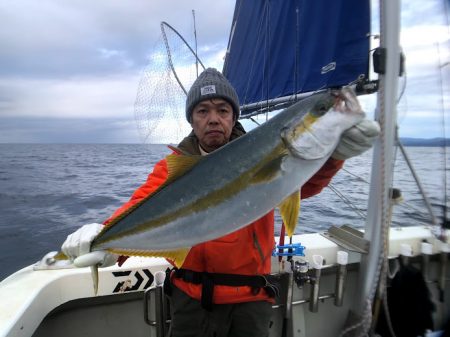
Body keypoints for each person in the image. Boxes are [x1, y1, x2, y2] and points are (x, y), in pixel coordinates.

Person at [61, 68, 380, 337]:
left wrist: (335, 156)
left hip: (250, 302)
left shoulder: (264, 152)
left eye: (222, 110)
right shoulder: (173, 167)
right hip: (188, 302)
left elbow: (304, 182)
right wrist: (105, 239)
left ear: (233, 117)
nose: (213, 119)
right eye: (203, 111)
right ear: (192, 120)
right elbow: (142, 206)